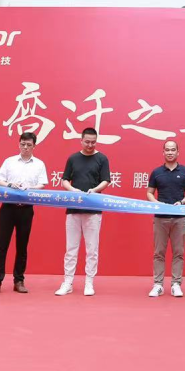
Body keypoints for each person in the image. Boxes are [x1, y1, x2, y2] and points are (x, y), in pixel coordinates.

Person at [0, 132, 48, 296]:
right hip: (8, 208)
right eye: (23, 144)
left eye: (29, 145)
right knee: (2, 245)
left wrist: (30, 188)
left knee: (22, 246)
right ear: (19, 144)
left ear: (34, 146)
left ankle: (19, 280)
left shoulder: (39, 164)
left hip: (26, 209)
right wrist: (10, 184)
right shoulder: (9, 161)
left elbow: (42, 184)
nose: (25, 148)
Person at [57, 127, 110, 297]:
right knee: (71, 248)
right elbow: (65, 180)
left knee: (92, 249)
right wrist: (73, 190)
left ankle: (89, 282)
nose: (90, 145)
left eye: (93, 142)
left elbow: (106, 180)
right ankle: (68, 282)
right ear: (81, 140)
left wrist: (94, 190)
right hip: (73, 208)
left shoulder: (102, 158)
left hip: (93, 209)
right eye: (87, 142)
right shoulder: (73, 158)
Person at [146, 140, 185, 298]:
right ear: (163, 152)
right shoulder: (156, 172)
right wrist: (157, 203)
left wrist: (182, 202)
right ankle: (158, 285)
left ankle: (176, 284)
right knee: (158, 253)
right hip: (161, 218)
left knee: (178, 253)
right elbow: (149, 193)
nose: (170, 152)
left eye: (173, 150)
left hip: (179, 218)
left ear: (177, 152)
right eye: (167, 150)